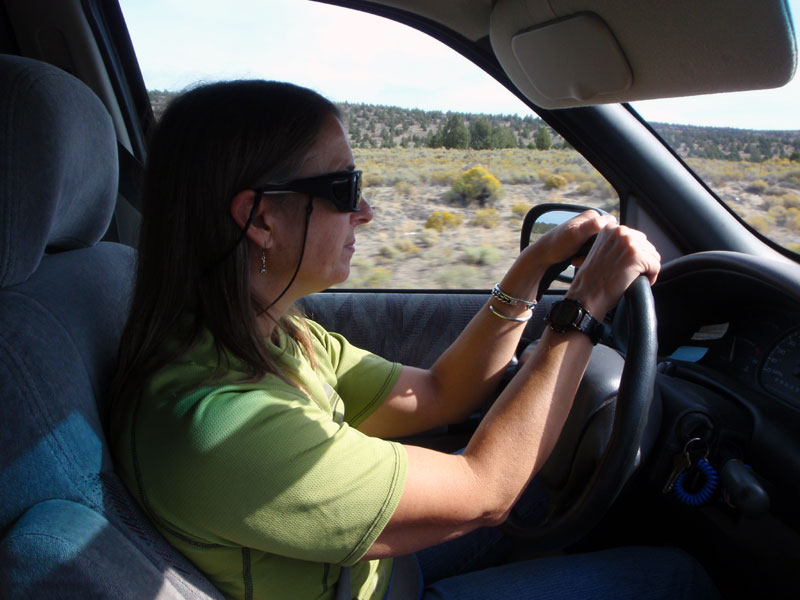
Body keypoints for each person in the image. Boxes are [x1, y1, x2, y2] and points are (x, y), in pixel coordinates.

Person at [109, 80, 718, 600]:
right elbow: (485, 494)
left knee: (555, 505)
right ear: (261, 219)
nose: (367, 210)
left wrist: (531, 269)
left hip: (373, 570)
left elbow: (440, 393)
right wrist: (584, 309)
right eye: (345, 189)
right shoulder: (225, 426)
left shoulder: (275, 335)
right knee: (677, 577)